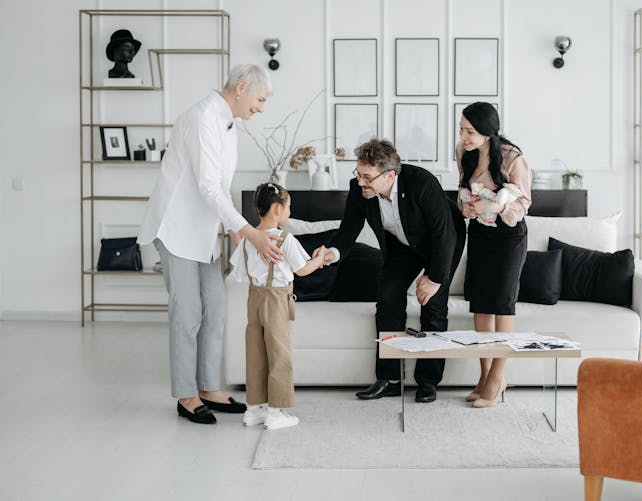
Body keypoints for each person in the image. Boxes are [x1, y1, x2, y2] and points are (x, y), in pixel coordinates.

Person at [138, 64, 285, 425]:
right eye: (260, 99)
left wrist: (232, 228)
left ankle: (208, 388)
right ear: (240, 87)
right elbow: (207, 186)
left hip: (203, 230)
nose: (261, 108)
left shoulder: (229, 123)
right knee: (187, 313)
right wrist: (249, 231)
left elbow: (217, 187)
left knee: (215, 309)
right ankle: (186, 396)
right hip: (176, 229)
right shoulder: (202, 117)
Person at [315, 139, 465, 403]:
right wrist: (333, 253)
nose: (361, 182)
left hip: (441, 243)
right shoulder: (359, 190)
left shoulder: (422, 183)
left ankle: (428, 382)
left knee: (433, 306)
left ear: (390, 175)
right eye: (358, 174)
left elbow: (444, 234)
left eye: (367, 177)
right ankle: (390, 379)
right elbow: (349, 228)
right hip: (401, 246)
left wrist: (435, 278)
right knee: (387, 298)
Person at [228, 183, 326, 430]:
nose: (289, 212)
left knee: (256, 354)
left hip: (254, 300)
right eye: (289, 207)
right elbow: (302, 269)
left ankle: (253, 410)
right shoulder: (285, 239)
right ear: (277, 208)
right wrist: (320, 260)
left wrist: (239, 241)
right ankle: (275, 412)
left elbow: (238, 274)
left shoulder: (250, 240)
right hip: (277, 301)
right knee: (280, 355)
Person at [456, 102, 532, 408]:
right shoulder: (463, 152)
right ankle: (486, 376)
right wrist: (468, 207)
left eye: (470, 131)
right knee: (481, 306)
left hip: (509, 237)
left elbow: (524, 202)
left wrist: (497, 207)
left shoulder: (513, 157)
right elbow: (463, 189)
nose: (464, 136)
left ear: (488, 132)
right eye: (461, 129)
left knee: (502, 306)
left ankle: (498, 377)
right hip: (481, 234)